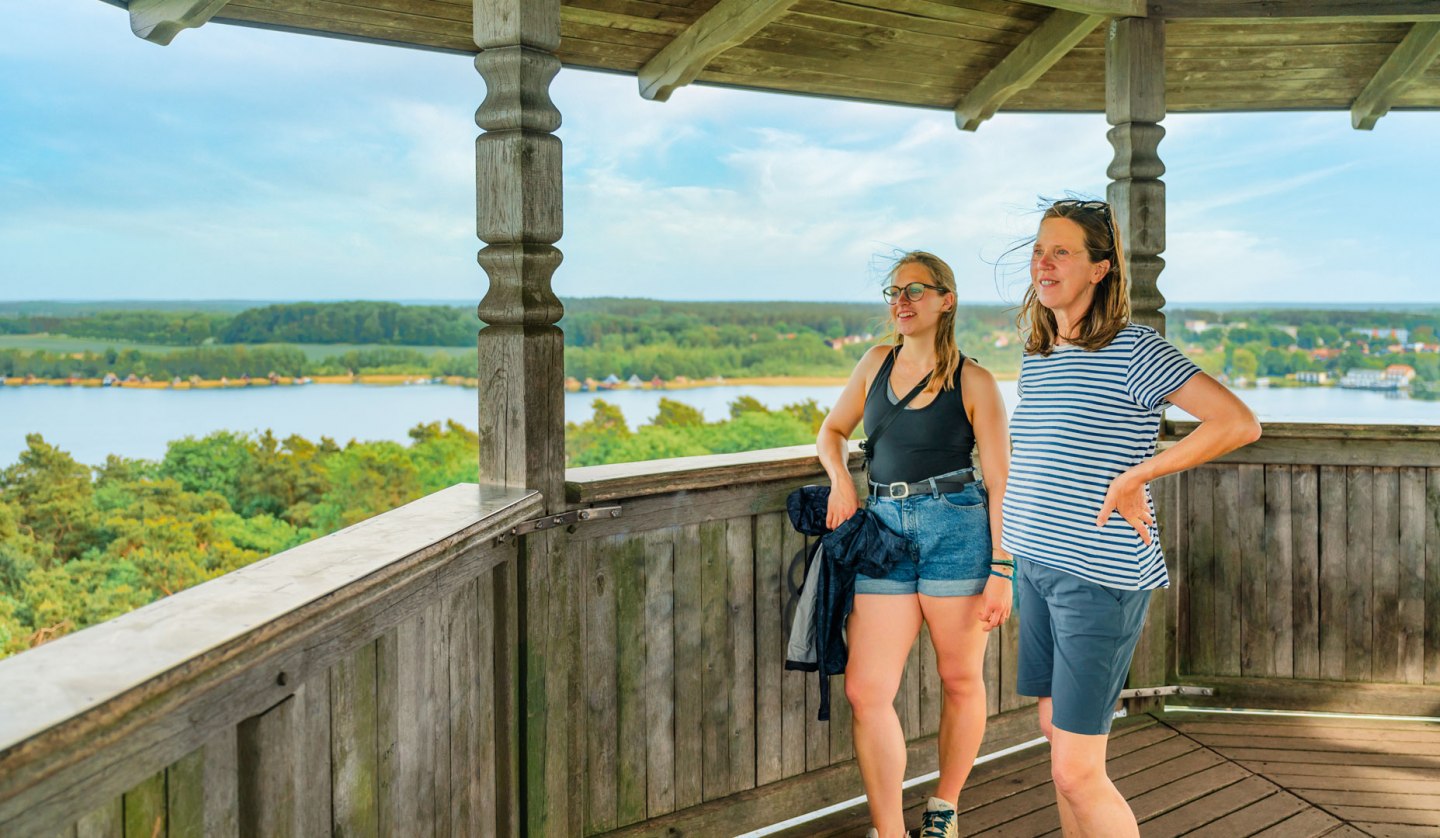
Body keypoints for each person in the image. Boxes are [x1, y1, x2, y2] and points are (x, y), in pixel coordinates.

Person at [1003, 199, 1261, 837]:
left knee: (1075, 770)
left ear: (1100, 268)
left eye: (1062, 250)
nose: (1044, 261)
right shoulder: (1039, 353)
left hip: (1098, 577)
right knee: (1054, 736)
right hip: (1035, 564)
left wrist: (1138, 474)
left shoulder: (1134, 349)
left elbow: (1238, 422)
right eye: (1039, 249)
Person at [816, 251, 1013, 838]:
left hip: (957, 527)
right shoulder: (875, 362)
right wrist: (841, 483)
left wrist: (1003, 568)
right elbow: (831, 432)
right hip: (883, 530)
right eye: (893, 292)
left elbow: (1003, 481)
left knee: (959, 679)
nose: (900, 302)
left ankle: (943, 808)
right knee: (865, 688)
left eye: (916, 291)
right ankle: (889, 831)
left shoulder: (974, 380)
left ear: (946, 301)